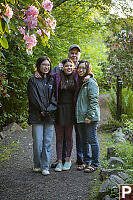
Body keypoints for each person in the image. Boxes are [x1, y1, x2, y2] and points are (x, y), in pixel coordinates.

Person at [27, 56, 57, 176]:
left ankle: (45, 166)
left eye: (48, 65)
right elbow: (33, 97)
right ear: (39, 65)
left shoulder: (52, 80)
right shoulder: (33, 80)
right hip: (36, 116)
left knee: (48, 142)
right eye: (44, 65)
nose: (46, 67)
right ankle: (37, 165)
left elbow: (55, 98)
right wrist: (42, 110)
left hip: (49, 116)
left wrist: (48, 111)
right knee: (38, 142)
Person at [53, 58, 79, 172]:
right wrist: (36, 72)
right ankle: (59, 161)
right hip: (59, 109)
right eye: (66, 66)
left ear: (73, 67)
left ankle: (68, 160)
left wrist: (91, 74)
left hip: (70, 109)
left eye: (70, 66)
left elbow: (87, 73)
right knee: (59, 137)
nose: (69, 68)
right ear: (62, 67)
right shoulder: (57, 76)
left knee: (69, 136)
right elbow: (46, 74)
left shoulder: (76, 76)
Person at [76, 60, 100, 172]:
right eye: (79, 68)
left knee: (92, 140)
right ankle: (86, 162)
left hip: (90, 117)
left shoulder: (91, 82)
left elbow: (94, 101)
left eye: (83, 68)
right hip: (81, 117)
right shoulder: (80, 81)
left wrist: (89, 116)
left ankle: (95, 164)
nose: (81, 70)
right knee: (83, 141)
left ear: (88, 70)